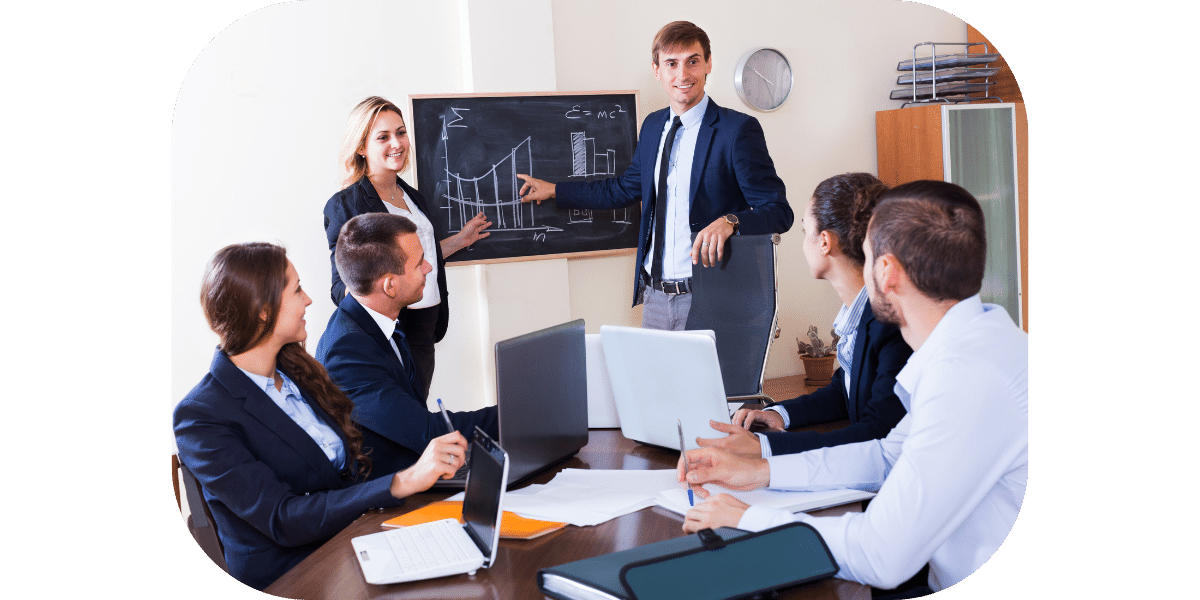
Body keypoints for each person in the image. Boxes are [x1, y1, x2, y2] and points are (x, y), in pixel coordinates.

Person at [679, 180, 1029, 597]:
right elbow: (884, 457)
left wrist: (747, 518)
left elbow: (879, 556)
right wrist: (759, 472)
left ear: (886, 272)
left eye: (866, 257)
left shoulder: (967, 379)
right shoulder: (979, 344)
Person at [173, 243, 468, 591]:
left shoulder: (297, 371)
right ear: (262, 310)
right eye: (296, 289)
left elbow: (347, 473)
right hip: (296, 576)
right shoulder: (201, 417)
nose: (309, 299)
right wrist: (401, 482)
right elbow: (282, 518)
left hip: (355, 542)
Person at [516, 21, 793, 330]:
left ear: (708, 64)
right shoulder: (652, 126)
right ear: (657, 69)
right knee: (655, 380)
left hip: (711, 296)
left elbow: (779, 212)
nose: (683, 75)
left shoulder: (736, 130)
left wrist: (732, 221)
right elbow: (622, 189)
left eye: (693, 61)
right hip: (655, 298)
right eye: (671, 64)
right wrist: (555, 190)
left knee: (705, 381)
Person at [695, 173, 910, 458]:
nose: (803, 243)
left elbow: (876, 433)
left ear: (824, 242)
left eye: (804, 231)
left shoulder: (890, 323)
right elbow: (844, 392)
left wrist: (766, 447)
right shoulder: (860, 313)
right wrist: (780, 413)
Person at [324, 96, 493, 397]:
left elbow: (419, 256)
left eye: (401, 132)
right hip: (393, 330)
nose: (397, 143)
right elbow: (340, 288)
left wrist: (461, 240)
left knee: (417, 410)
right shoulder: (346, 205)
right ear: (361, 147)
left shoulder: (414, 197)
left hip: (425, 327)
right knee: (403, 420)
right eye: (383, 137)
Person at [316, 213, 498, 477]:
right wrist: (515, 412)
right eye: (419, 263)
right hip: (387, 495)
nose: (428, 268)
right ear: (390, 285)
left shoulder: (381, 318)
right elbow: (428, 434)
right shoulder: (347, 351)